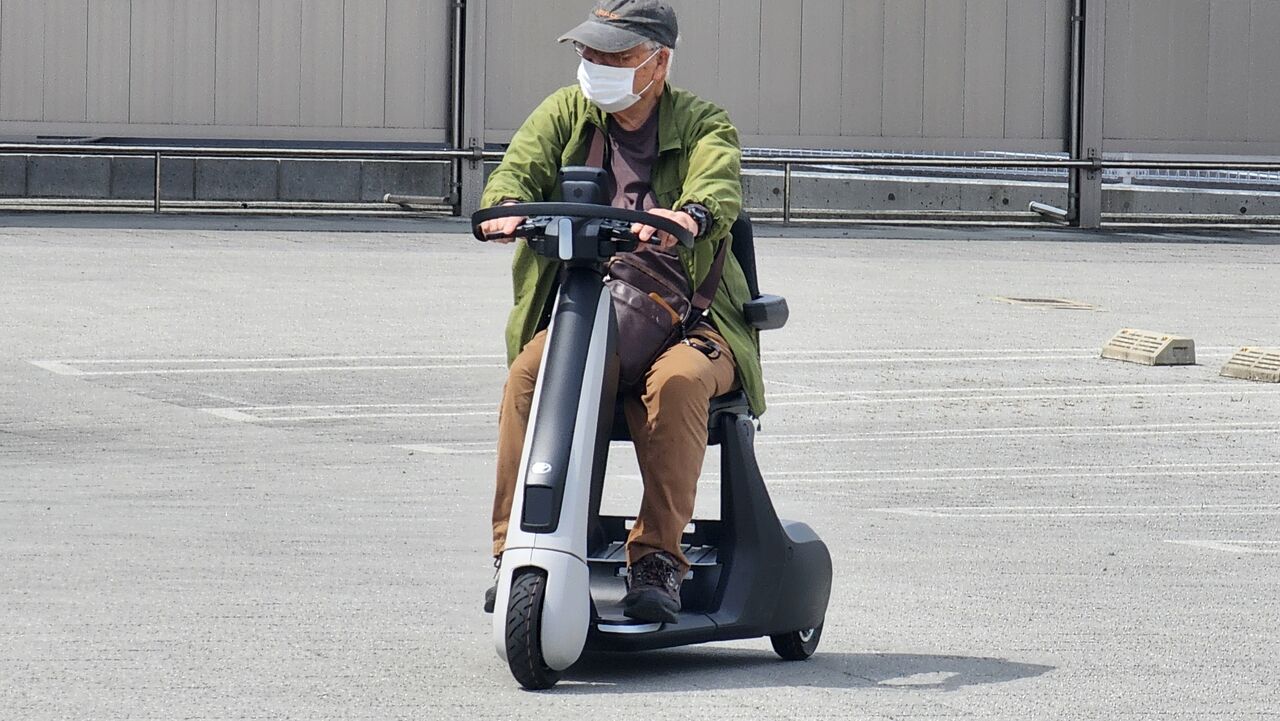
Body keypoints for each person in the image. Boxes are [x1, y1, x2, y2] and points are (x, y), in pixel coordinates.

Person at [478, 0, 765, 624]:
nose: (595, 64)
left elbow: (717, 185)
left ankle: (658, 558)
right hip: (592, 310)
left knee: (679, 382)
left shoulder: (704, 122)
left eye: (615, 54)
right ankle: (515, 550)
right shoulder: (566, 113)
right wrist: (504, 205)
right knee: (528, 377)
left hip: (691, 317)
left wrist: (689, 216)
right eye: (589, 51)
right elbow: (518, 169)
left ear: (659, 63)